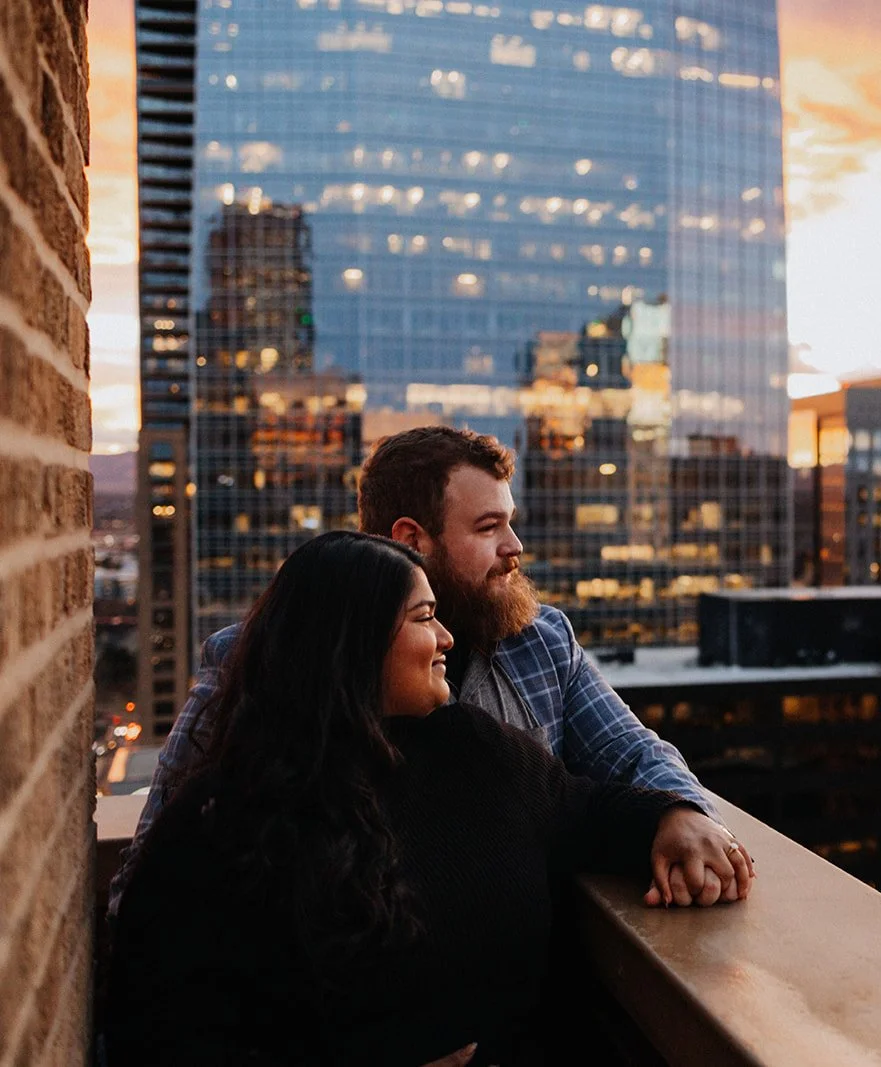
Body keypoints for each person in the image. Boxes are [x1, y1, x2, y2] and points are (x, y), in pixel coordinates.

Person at [104, 532, 749, 1065]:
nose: (446, 638)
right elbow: (157, 1029)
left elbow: (583, 808)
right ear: (351, 643)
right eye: (423, 619)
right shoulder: (224, 827)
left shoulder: (473, 749)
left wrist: (672, 817)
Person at [112, 426, 750, 911]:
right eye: (489, 526)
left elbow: (632, 756)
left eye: (512, 523)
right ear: (412, 539)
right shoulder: (259, 657)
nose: (515, 548)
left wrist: (680, 811)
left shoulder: (540, 641)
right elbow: (152, 876)